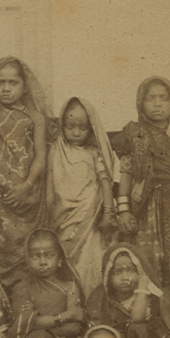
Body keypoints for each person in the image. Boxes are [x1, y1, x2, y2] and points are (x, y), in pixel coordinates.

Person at [110, 76, 170, 286]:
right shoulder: (134, 134)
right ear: (140, 103)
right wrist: (123, 210)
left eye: (164, 98)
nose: (157, 104)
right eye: (151, 98)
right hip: (143, 204)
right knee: (145, 255)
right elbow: (126, 172)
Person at [0, 56, 50, 287]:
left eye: (13, 82)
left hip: (28, 196)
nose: (6, 89)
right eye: (1, 83)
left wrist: (26, 186)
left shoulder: (36, 118)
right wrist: (5, 186)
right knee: (0, 250)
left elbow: (41, 156)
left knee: (27, 250)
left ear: (25, 86)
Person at [49, 97, 118, 296]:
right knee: (67, 262)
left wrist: (107, 213)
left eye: (82, 127)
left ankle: (92, 305)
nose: (76, 132)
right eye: (70, 126)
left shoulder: (94, 153)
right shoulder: (55, 150)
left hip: (91, 217)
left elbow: (105, 183)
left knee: (91, 262)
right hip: (63, 218)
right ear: (62, 124)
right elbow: (50, 187)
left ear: (91, 128)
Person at [9, 229, 86, 338]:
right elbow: (21, 326)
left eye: (49, 255)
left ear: (59, 259)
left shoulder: (70, 286)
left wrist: (37, 325)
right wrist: (65, 316)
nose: (43, 262)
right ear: (27, 259)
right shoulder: (21, 288)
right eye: (36, 256)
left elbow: (74, 327)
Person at [85, 244, 164, 338]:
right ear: (107, 275)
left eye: (131, 270)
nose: (125, 277)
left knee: (139, 328)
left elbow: (137, 319)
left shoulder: (149, 296)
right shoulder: (99, 298)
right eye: (118, 272)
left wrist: (142, 287)